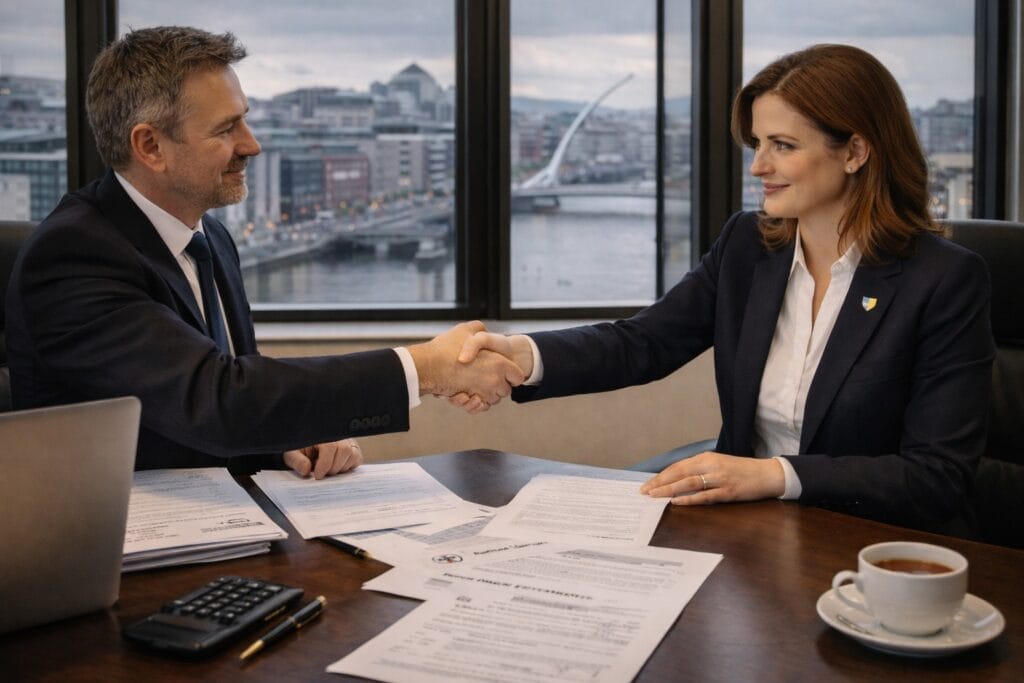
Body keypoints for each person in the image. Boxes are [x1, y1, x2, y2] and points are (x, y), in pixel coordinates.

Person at [458, 44, 995, 533]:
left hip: (874, 549)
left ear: (854, 151)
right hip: (750, 536)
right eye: (758, 144)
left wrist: (773, 476)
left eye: (782, 145)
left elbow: (935, 477)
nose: (759, 166)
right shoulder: (749, 245)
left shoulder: (943, 281)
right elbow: (643, 343)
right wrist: (520, 357)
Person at [4, 26, 522, 477]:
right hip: (115, 547)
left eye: (244, 120)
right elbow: (216, 399)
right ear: (150, 147)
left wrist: (284, 442)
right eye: (227, 128)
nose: (251, 144)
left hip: (223, 533)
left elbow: (230, 397)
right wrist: (425, 367)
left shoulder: (210, 238)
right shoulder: (73, 256)